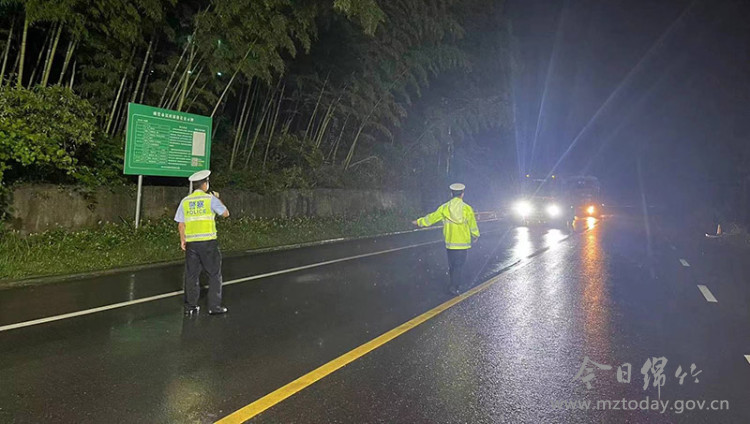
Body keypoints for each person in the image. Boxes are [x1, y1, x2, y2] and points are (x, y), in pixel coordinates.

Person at [174, 170, 230, 316]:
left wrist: (182, 240)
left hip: (192, 244)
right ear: (205, 184)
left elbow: (181, 224)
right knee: (214, 274)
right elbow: (225, 213)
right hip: (208, 243)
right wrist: (218, 199)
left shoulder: (185, 201)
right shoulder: (210, 199)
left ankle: (191, 306)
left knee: (191, 275)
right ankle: (214, 307)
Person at [412, 183, 480, 295]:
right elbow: (472, 224)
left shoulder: (444, 208)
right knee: (458, 265)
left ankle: (453, 284)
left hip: (450, 243)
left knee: (452, 265)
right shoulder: (467, 209)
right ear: (462, 194)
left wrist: (419, 222)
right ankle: (454, 287)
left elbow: (432, 218)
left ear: (451, 194)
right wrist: (475, 235)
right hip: (463, 244)